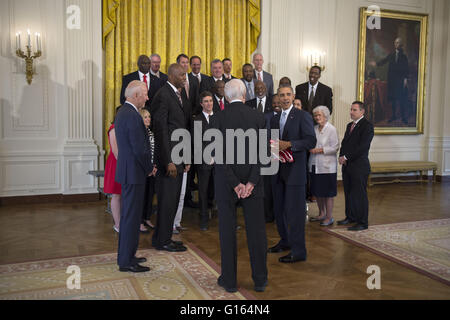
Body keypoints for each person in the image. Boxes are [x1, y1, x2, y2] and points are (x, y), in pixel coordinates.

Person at [212, 79, 268, 293]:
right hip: (254, 183)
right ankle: (260, 280)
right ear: (245, 95)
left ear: (226, 97)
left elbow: (218, 156)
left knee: (227, 232)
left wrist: (235, 184)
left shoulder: (217, 118)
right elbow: (263, 154)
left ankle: (229, 281)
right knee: (257, 232)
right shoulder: (258, 116)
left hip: (227, 184)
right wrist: (251, 182)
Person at [269, 86, 316, 263]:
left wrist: (289, 144)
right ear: (278, 98)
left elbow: (311, 141)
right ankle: (285, 241)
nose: (285, 98)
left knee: (295, 213)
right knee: (279, 210)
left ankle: (299, 251)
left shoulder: (303, 116)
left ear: (293, 96)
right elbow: (273, 144)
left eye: (288, 95)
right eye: (282, 95)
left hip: (295, 173)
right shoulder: (274, 119)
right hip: (277, 170)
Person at [150, 63, 191, 252]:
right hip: (170, 159)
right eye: (182, 74)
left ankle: (163, 238)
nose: (185, 77)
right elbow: (161, 131)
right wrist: (169, 160)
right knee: (167, 201)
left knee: (173, 200)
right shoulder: (163, 95)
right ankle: (163, 240)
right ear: (172, 75)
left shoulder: (179, 94)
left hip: (180, 156)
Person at [115, 80, 154, 273]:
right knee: (131, 218)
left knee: (130, 217)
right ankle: (126, 261)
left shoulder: (124, 112)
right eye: (145, 94)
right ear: (136, 95)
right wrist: (149, 167)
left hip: (129, 172)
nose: (147, 98)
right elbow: (140, 149)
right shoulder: (131, 115)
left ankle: (128, 256)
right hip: (134, 173)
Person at [338, 101, 374, 231]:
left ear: (362, 111)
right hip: (347, 166)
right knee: (348, 193)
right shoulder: (350, 126)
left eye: (354, 110)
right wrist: (341, 155)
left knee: (359, 195)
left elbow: (363, 147)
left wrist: (346, 157)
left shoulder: (367, 126)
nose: (351, 112)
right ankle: (351, 217)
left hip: (359, 166)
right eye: (351, 110)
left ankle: (362, 222)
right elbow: (345, 143)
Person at [307, 106, 339, 226]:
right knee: (318, 192)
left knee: (328, 193)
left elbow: (335, 147)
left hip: (327, 167)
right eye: (315, 115)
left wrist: (320, 150)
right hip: (314, 164)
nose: (317, 118)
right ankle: (321, 214)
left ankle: (329, 217)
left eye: (319, 115)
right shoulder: (314, 128)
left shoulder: (332, 129)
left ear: (325, 116)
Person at [370, 37, 409, 124]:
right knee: (393, 99)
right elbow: (384, 61)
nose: (396, 44)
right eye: (395, 43)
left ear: (401, 44)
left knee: (401, 99)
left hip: (400, 81)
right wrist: (376, 64)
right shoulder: (391, 55)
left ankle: (403, 117)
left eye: (398, 43)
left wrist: (405, 80)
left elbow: (406, 69)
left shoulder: (404, 56)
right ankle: (394, 116)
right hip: (392, 80)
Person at [193, 91, 216, 230]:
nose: (209, 103)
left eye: (211, 100)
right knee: (203, 190)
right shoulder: (197, 120)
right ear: (201, 104)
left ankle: (215, 212)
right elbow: (197, 142)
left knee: (216, 190)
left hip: (218, 161)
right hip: (203, 162)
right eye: (206, 101)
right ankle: (203, 219)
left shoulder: (219, 117)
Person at [103, 106, 122, 233]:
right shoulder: (113, 129)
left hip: (122, 162)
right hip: (116, 163)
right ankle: (118, 224)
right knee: (116, 195)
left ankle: (123, 222)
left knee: (123, 195)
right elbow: (116, 151)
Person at [140, 109, 158, 231]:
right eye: (145, 117)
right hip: (143, 170)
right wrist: (147, 168)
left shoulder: (151, 132)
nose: (148, 119)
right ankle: (140, 221)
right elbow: (142, 153)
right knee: (142, 196)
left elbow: (153, 151)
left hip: (152, 169)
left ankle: (147, 218)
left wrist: (154, 166)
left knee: (150, 195)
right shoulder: (140, 133)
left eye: (149, 116)